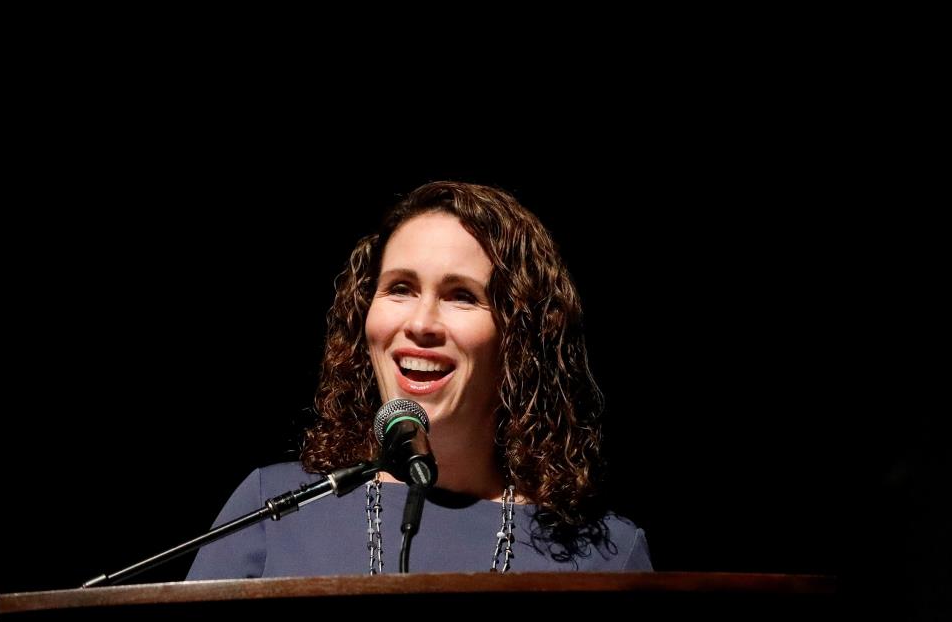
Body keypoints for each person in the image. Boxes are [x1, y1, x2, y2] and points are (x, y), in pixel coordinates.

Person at [185, 181, 651, 578]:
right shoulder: (274, 510)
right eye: (400, 289)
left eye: (461, 296)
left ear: (521, 339)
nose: (422, 323)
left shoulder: (602, 554)